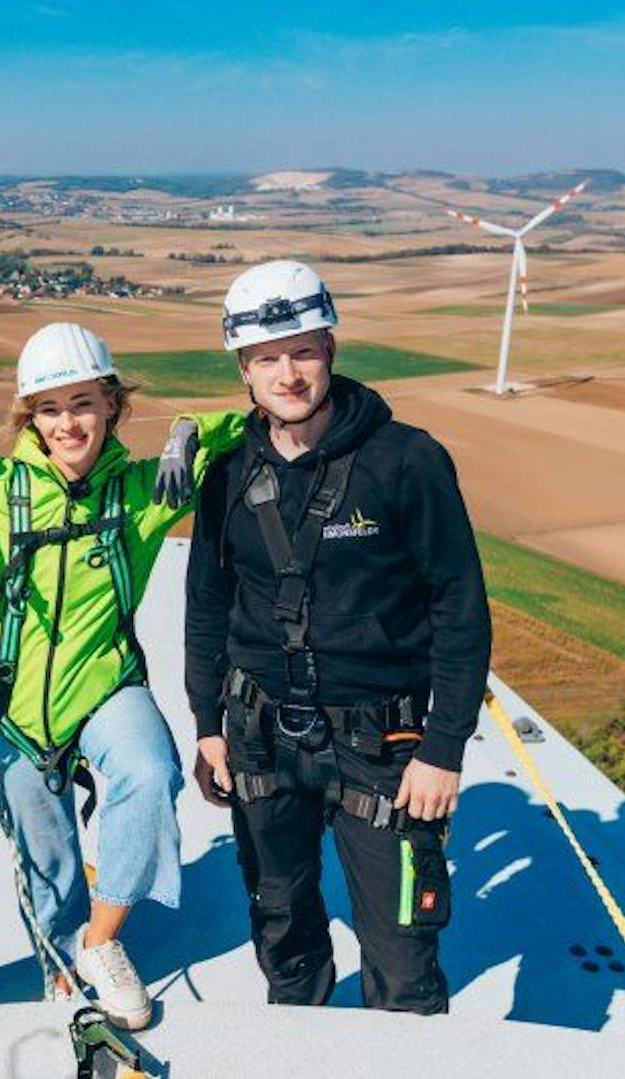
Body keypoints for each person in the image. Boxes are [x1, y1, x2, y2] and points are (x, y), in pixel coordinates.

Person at [0, 322, 241, 1029]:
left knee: (149, 770)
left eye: (83, 402)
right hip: (16, 706)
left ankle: (102, 942)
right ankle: (59, 960)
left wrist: (189, 430)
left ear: (111, 403)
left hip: (107, 684)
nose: (68, 422)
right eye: (49, 408)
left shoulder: (144, 490)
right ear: (29, 418)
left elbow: (244, 429)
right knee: (45, 859)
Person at [185, 260, 492, 1014]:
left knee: (403, 959)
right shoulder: (225, 474)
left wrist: (444, 746)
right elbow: (207, 604)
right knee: (284, 936)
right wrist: (206, 726)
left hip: (381, 744)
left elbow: (460, 606)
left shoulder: (406, 461)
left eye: (303, 351)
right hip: (261, 735)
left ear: (331, 346)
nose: (287, 374)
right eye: (266, 358)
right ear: (243, 370)